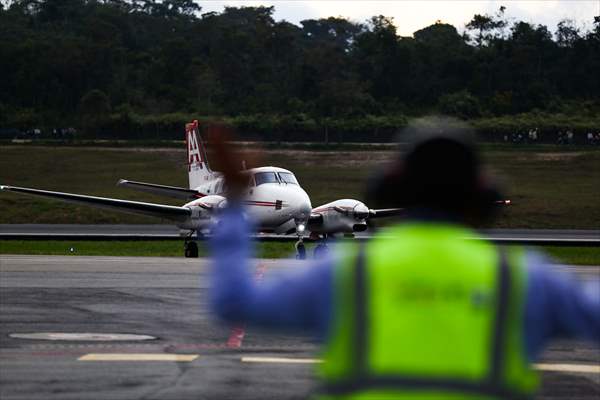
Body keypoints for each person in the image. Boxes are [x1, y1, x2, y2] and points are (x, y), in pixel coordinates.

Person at [209, 124, 599, 399]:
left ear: (391, 187)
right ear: (481, 197)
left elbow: (234, 302)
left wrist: (234, 208)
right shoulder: (525, 278)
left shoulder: (345, 272)